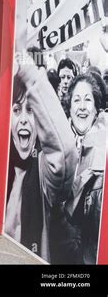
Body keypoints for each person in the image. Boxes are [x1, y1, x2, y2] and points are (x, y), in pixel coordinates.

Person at [5, 51, 77, 262]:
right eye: (17, 110)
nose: (25, 120)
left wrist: (29, 74)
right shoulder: (1, 168)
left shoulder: (44, 168)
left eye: (31, 111)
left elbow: (65, 154)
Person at [50, 73, 106, 264]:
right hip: (55, 249)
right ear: (69, 107)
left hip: (89, 253)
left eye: (88, 100)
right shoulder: (55, 145)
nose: (82, 106)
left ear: (96, 109)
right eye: (77, 100)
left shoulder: (104, 148)